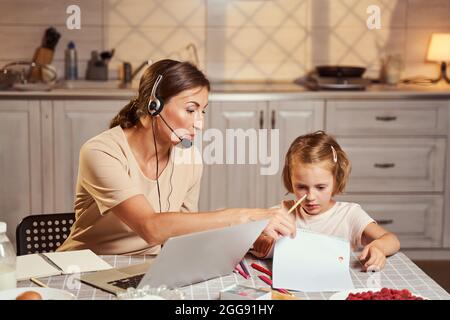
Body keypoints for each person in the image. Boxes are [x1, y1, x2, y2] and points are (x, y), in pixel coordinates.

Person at [57, 59, 295, 255]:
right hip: (85, 271)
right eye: (191, 110)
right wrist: (246, 216)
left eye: (203, 111)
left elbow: (185, 233)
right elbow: (150, 227)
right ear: (154, 106)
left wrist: (248, 238)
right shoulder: (101, 152)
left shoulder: (189, 158)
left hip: (145, 272)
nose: (200, 124)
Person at [251, 131, 400, 271]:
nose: (310, 197)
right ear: (290, 181)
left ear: (336, 181)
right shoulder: (281, 212)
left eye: (320, 187)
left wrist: (378, 247)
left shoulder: (349, 214)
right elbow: (253, 240)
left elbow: (392, 240)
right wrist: (262, 240)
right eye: (301, 187)